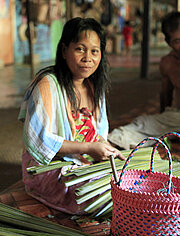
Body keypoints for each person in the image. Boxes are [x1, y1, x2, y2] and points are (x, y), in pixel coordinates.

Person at [18, 17, 125, 215]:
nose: (88, 58)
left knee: (128, 182)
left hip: (82, 161)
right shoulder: (47, 85)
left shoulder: (94, 86)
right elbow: (40, 141)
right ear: (65, 50)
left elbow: (98, 134)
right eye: (80, 49)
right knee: (103, 194)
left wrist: (107, 151)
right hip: (49, 168)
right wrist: (88, 148)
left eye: (94, 51)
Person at [107, 11, 180, 234]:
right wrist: (162, 126)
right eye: (176, 40)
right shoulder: (167, 63)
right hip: (178, 116)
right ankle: (105, 146)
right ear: (168, 42)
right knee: (138, 126)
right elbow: (165, 95)